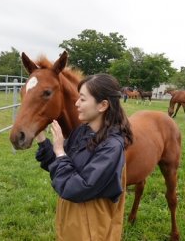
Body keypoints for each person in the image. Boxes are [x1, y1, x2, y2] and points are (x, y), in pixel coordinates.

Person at [35, 74, 133, 241]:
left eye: (82, 99)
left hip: (91, 226)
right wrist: (43, 141)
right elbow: (60, 167)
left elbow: (77, 187)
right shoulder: (82, 132)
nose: (76, 104)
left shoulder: (112, 147)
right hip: (71, 216)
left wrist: (60, 151)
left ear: (102, 105)